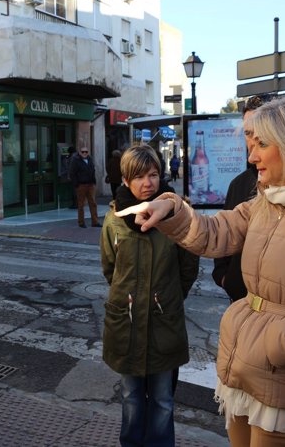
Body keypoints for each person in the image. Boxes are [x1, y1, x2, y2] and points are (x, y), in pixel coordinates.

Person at [115, 96, 285, 446]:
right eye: (250, 144)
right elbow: (215, 233)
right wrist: (171, 207)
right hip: (243, 375)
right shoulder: (267, 201)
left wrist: (277, 342)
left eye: (262, 144)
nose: (251, 156)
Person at [100, 145, 199, 447]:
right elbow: (110, 268)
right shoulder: (114, 219)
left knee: (162, 399)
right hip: (126, 325)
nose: (148, 183)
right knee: (130, 397)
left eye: (154, 175)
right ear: (126, 180)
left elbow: (188, 267)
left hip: (163, 324)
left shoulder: (175, 214)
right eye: (140, 176)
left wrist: (168, 299)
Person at [211, 95, 265, 302]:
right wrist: (225, 277)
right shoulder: (239, 184)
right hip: (241, 299)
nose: (253, 141)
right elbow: (220, 232)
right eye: (247, 133)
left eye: (260, 131)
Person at [69, 145, 101, 228]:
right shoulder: (75, 160)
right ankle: (81, 222)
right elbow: (72, 173)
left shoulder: (90, 159)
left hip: (90, 185)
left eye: (86, 152)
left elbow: (93, 170)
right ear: (79, 152)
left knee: (93, 203)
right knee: (81, 205)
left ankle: (95, 222)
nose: (84, 153)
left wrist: (94, 182)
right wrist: (77, 184)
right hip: (81, 185)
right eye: (82, 152)